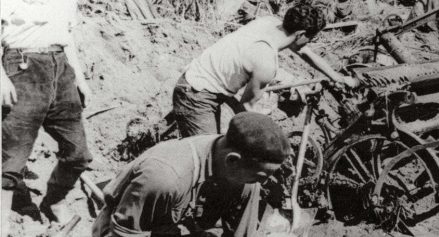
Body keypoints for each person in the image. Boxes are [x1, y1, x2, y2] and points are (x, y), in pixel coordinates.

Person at [172, 4, 359, 137]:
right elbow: (247, 107)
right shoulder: (266, 62)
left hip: (205, 78)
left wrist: (337, 77)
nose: (310, 42)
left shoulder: (270, 22)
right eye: (311, 38)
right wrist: (274, 132)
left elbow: (303, 50)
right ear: (301, 35)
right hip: (196, 95)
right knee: (209, 158)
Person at [92, 112, 291, 237]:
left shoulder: (245, 174)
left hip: (178, 226)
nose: (261, 184)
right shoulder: (164, 177)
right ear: (232, 160)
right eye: (259, 177)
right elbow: (124, 233)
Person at [1, 0, 92, 232]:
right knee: (12, 157)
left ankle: (54, 201)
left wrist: (80, 79)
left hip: (61, 69)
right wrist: (1, 78)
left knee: (78, 153)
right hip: (22, 67)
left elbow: (67, 38)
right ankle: (2, 222)